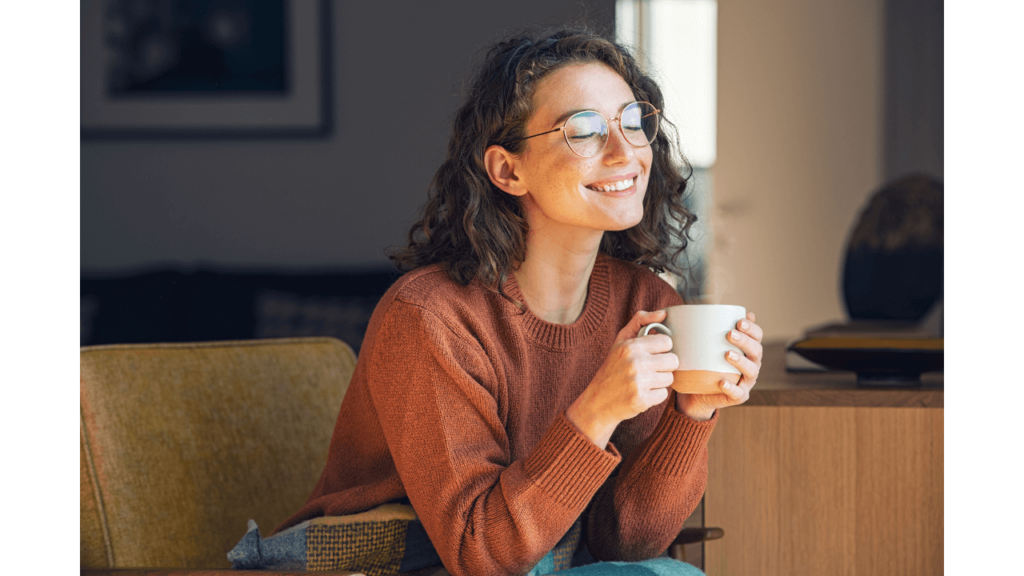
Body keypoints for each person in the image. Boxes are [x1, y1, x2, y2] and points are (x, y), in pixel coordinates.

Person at [274, 26, 763, 576]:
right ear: (508, 170)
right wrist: (596, 410)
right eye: (584, 131)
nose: (626, 151)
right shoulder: (431, 318)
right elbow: (477, 554)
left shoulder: (646, 303)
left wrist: (691, 415)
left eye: (633, 121)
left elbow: (623, 543)